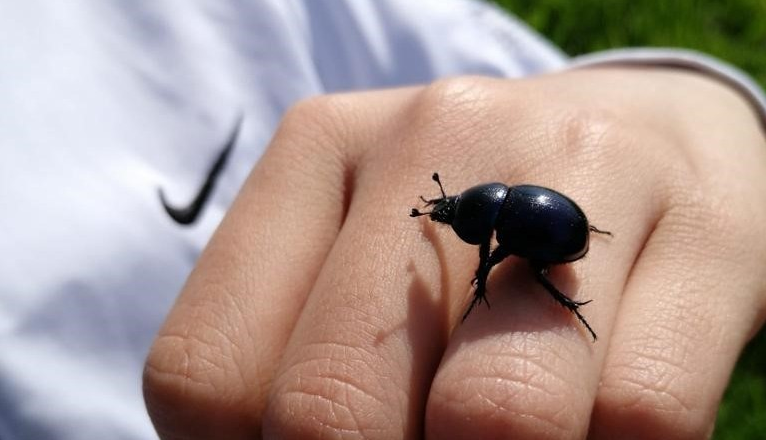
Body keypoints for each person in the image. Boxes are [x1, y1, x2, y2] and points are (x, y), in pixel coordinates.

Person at [1, 1, 764, 439]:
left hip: (560, 226)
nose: (448, 218)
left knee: (519, 273)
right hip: (558, 226)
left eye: (451, 212)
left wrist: (698, 112)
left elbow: (568, 121)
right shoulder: (492, 212)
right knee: (522, 269)